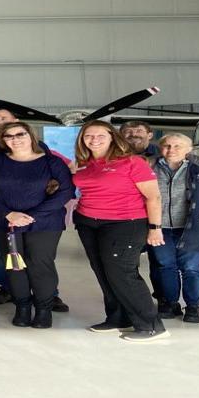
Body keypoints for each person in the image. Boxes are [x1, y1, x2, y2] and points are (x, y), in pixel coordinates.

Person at [72, 120, 169, 342]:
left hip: (125, 223)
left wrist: (155, 228)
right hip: (89, 223)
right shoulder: (84, 163)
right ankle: (118, 318)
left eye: (100, 136)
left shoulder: (132, 162)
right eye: (88, 136)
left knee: (122, 272)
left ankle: (151, 325)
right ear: (82, 140)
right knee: (102, 271)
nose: (94, 139)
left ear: (112, 137)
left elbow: (153, 197)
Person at [0, 122, 75, 328]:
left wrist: (32, 216)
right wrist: (9, 213)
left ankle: (43, 308)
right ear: (2, 140)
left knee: (40, 265)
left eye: (20, 134)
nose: (15, 139)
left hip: (44, 223)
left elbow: (66, 191)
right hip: (6, 223)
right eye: (9, 136)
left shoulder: (51, 162)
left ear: (30, 136)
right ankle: (22, 306)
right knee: (14, 267)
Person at [148, 133, 199, 324]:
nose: (171, 150)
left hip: (192, 228)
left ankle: (193, 306)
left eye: (177, 146)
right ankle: (170, 303)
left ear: (189, 149)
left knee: (191, 268)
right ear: (160, 148)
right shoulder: (149, 167)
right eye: (167, 146)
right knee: (166, 267)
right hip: (160, 228)